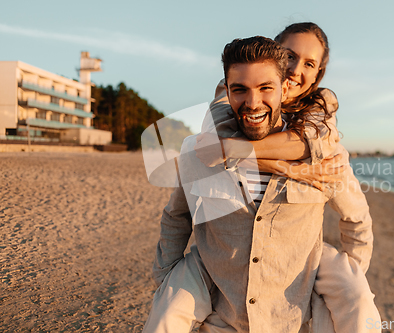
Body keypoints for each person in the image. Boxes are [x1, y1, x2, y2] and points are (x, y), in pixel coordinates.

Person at [143, 36, 379, 333]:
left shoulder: (324, 158)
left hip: (291, 317)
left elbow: (356, 219)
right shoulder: (202, 149)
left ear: (284, 88)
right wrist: (165, 277)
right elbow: (178, 215)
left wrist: (350, 280)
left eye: (266, 88)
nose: (253, 103)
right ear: (226, 91)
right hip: (220, 310)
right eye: (240, 90)